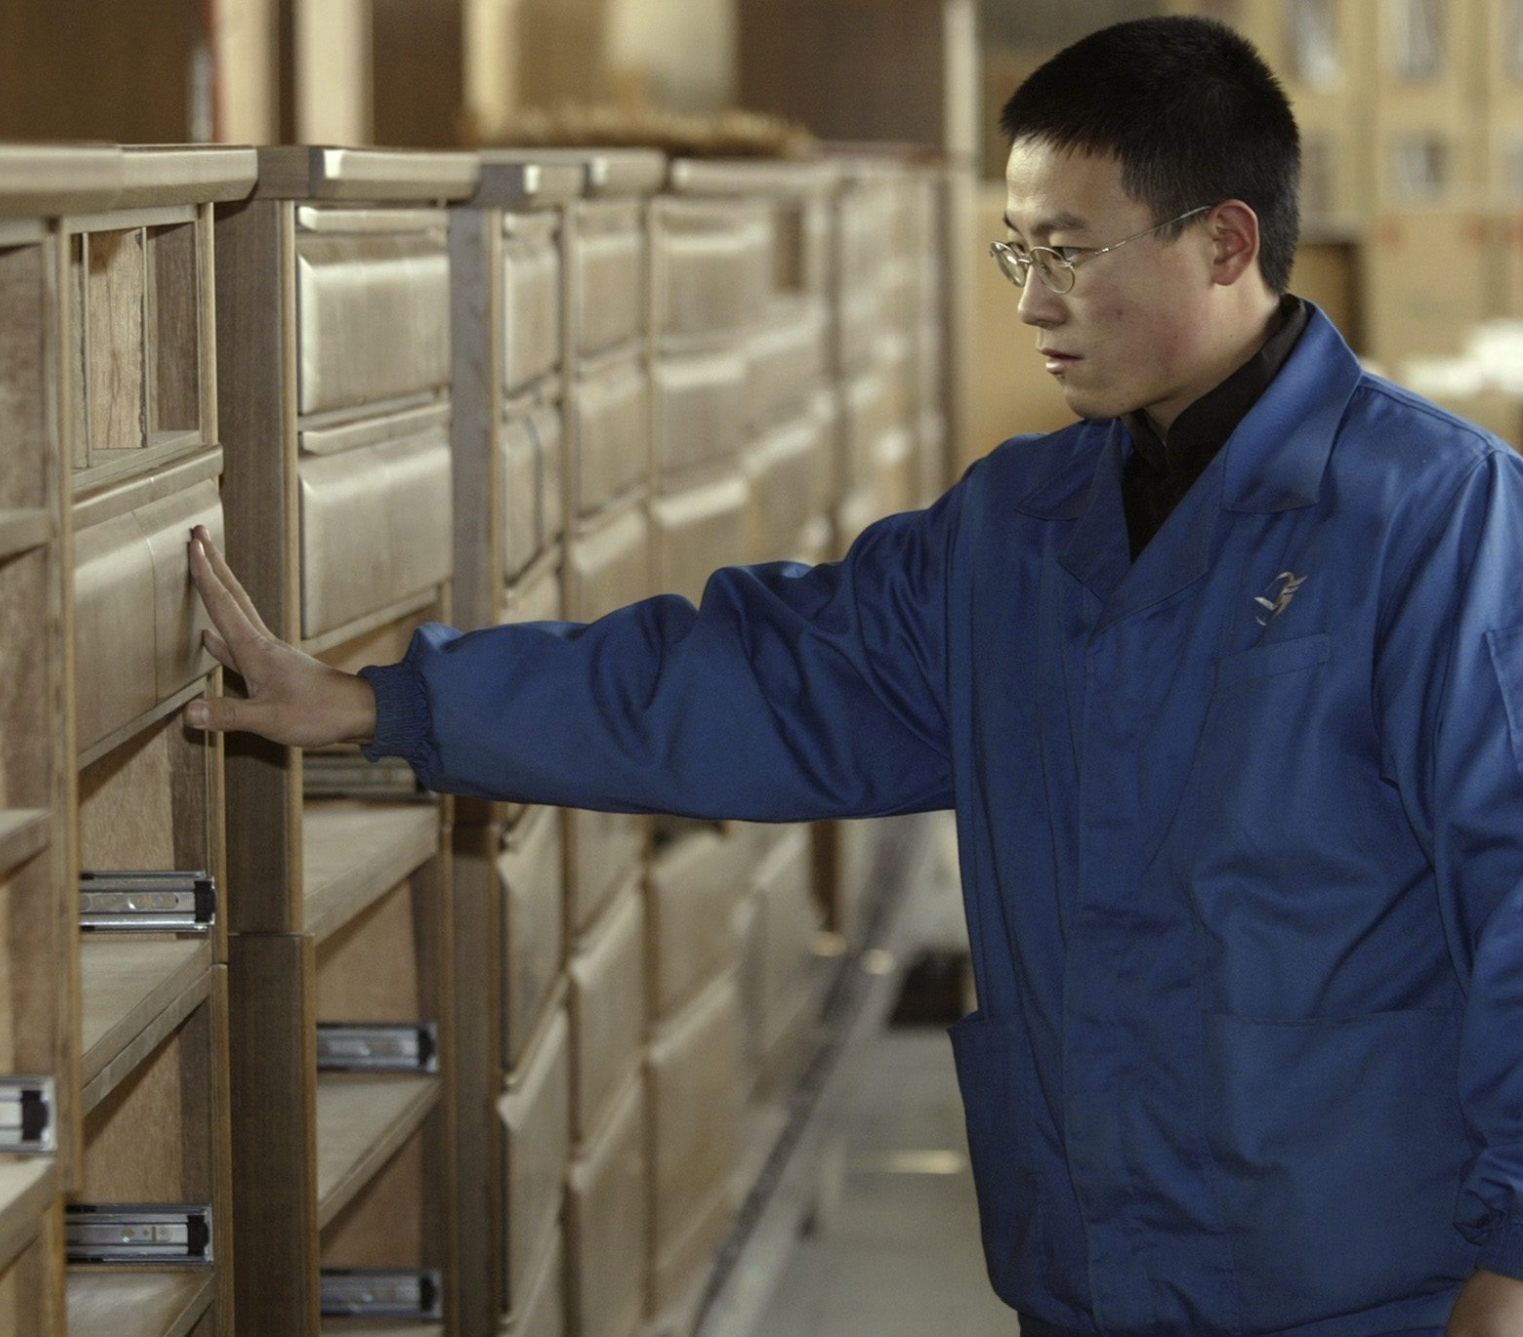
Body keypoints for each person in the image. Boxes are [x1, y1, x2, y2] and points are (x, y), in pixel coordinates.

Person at [183, 17, 1523, 1336]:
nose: (1030, 300)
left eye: (1069, 252)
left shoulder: (1436, 523)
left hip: (1368, 1292)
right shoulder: (1019, 528)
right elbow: (751, 679)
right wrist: (387, 704)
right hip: (1095, 1278)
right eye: (1018, 249)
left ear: (1226, 242)